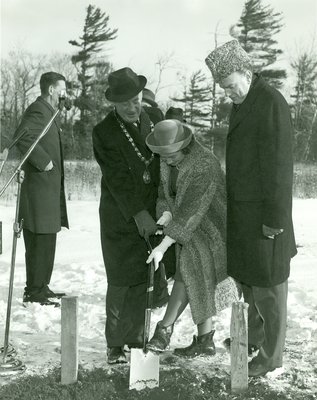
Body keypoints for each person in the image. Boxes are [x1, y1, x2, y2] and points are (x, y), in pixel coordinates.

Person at [205, 40, 297, 377]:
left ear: (246, 73)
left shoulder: (270, 102)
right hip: (244, 216)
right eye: (223, 87)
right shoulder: (243, 103)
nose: (227, 93)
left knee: (270, 288)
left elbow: (279, 167)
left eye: (230, 85)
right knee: (251, 283)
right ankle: (254, 341)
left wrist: (275, 219)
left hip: (265, 217)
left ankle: (271, 356)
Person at [92, 67, 174, 365]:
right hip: (121, 216)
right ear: (114, 102)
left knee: (145, 277)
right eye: (125, 102)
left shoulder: (153, 119)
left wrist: (163, 207)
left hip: (154, 213)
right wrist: (140, 215)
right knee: (120, 281)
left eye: (137, 99)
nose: (132, 106)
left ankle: (136, 339)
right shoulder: (104, 132)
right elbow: (117, 179)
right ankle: (115, 343)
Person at [144, 119, 239, 357]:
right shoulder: (169, 159)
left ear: (185, 147)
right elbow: (164, 193)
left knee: (188, 270)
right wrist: (165, 213)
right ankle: (204, 339)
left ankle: (164, 329)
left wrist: (164, 245)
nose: (165, 161)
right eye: (162, 156)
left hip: (212, 228)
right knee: (195, 275)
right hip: (186, 227)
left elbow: (192, 210)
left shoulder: (204, 164)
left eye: (170, 155)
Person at [13, 71, 69, 306]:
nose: (65, 95)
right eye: (62, 90)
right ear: (51, 90)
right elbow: (22, 137)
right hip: (38, 191)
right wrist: (43, 160)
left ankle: (42, 287)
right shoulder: (38, 109)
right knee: (38, 240)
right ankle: (34, 291)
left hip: (47, 191)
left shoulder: (51, 113)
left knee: (47, 239)